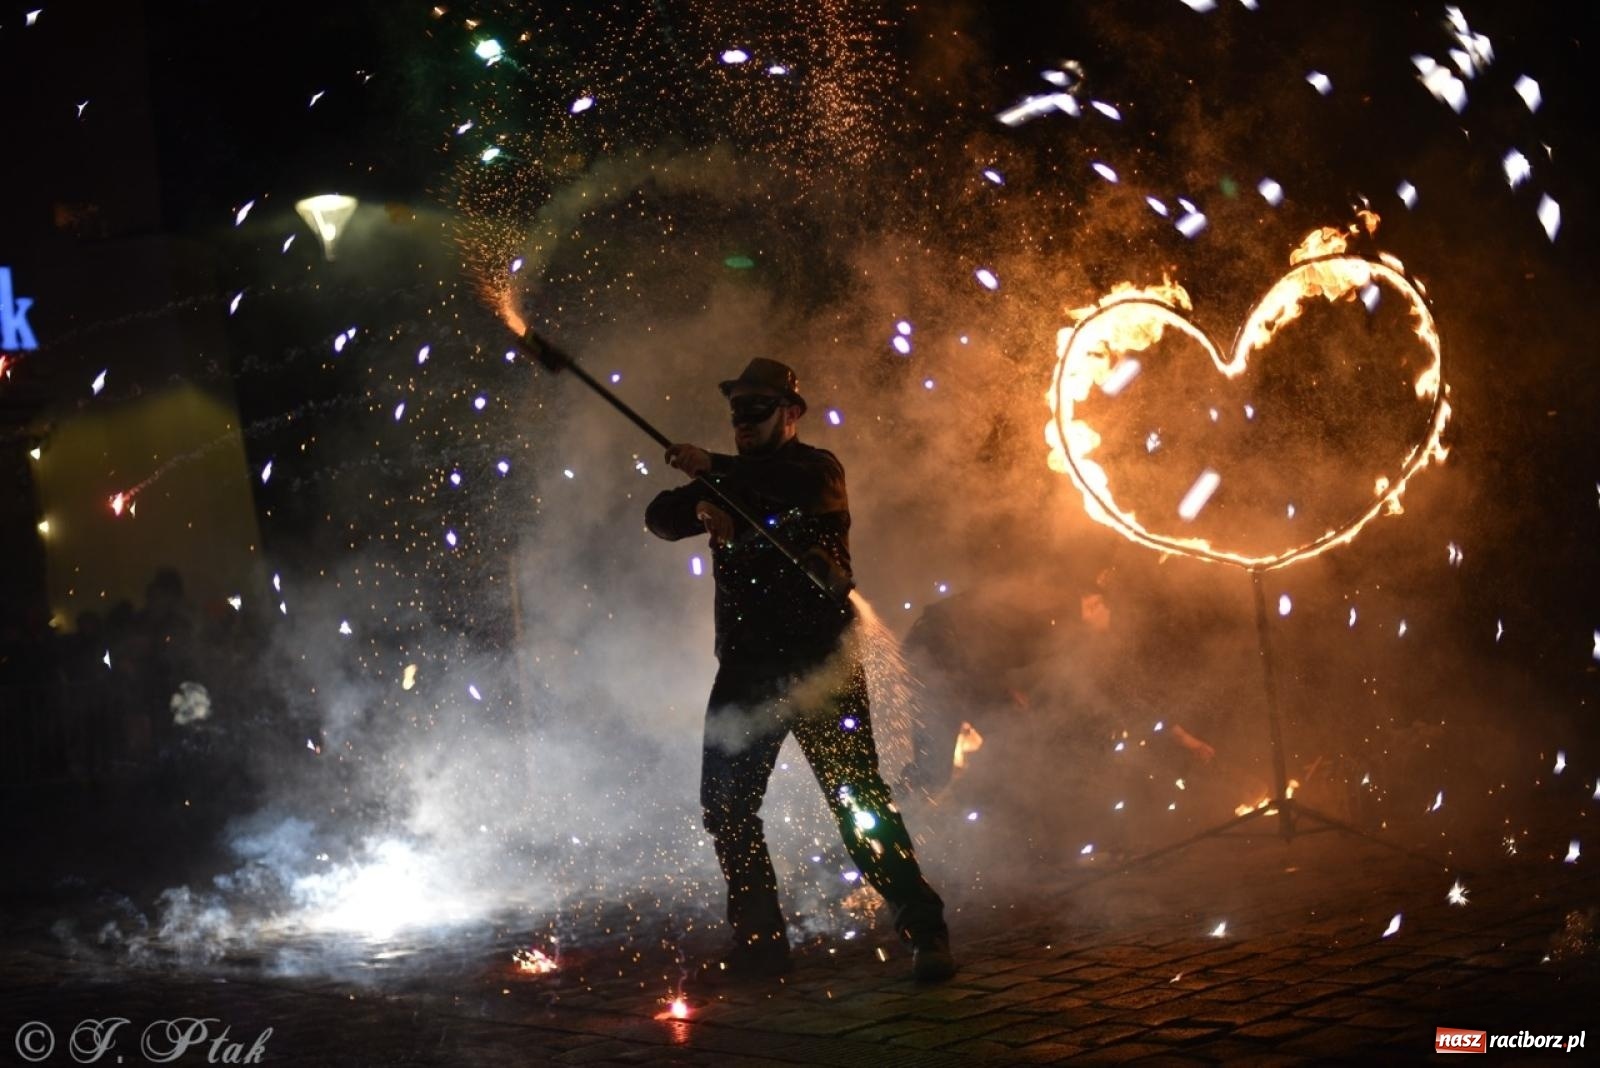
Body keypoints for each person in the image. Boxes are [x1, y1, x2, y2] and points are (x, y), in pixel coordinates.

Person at [646, 357, 954, 982]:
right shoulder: (722, 481)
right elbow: (659, 517)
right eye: (736, 413)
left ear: (790, 414)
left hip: (820, 668)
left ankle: (926, 931)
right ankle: (761, 946)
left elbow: (790, 493)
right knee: (726, 808)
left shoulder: (816, 469)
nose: (743, 422)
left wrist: (717, 470)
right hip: (747, 673)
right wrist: (701, 507)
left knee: (858, 803)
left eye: (757, 410)